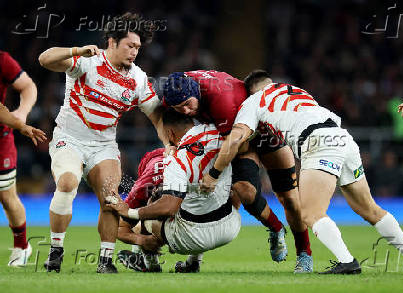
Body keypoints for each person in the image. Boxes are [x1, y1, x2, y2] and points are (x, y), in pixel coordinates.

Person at [201, 70, 403, 274]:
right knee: (369, 209)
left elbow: (236, 139)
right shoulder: (296, 91)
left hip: (318, 143)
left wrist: (214, 173)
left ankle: (347, 262)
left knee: (310, 213)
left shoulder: (253, 101)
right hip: (343, 138)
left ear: (250, 91)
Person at [38, 13, 168, 273]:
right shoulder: (87, 61)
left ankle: (105, 261)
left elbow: (157, 117)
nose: (134, 52)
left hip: (103, 146)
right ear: (112, 41)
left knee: (111, 197)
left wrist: (170, 146)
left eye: (138, 48)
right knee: (66, 183)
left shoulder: (138, 79)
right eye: (130, 46)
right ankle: (56, 252)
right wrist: (77, 49)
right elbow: (44, 59)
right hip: (69, 138)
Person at [162, 71, 312, 272]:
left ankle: (305, 254)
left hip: (262, 136)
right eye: (180, 108)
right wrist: (169, 143)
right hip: (235, 138)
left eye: (188, 104)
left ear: (196, 91)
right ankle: (276, 228)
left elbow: (237, 144)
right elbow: (158, 113)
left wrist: (214, 174)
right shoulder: (176, 90)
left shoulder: (221, 101)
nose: (187, 111)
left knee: (290, 199)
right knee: (244, 190)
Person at [107, 110, 241, 273]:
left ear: (169, 133)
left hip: (189, 236)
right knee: (201, 198)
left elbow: (120, 228)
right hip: (232, 225)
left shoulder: (162, 170)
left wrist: (140, 238)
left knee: (148, 212)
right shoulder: (215, 134)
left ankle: (149, 264)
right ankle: (193, 262)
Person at [0, 51, 42, 267]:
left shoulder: (2, 60)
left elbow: (28, 86)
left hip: (0, 140)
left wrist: (22, 116)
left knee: (7, 197)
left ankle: (22, 246)